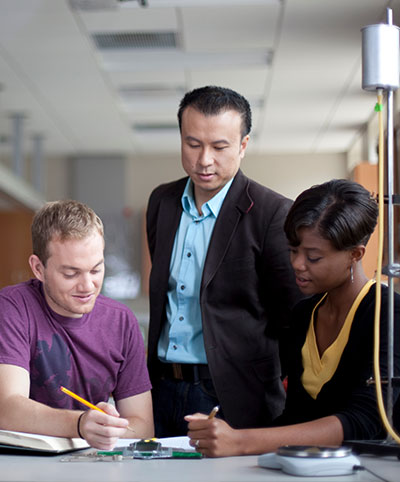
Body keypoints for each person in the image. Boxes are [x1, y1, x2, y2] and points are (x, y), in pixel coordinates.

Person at [185, 179, 400, 457]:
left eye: (313, 257)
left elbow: (366, 420)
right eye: (293, 250)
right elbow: (296, 417)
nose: (297, 264)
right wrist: (230, 437)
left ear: (354, 255)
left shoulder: (389, 314)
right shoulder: (303, 315)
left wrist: (241, 441)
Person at [146, 85, 302, 437]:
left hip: (233, 396)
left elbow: (294, 320)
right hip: (160, 390)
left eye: (219, 147)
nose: (204, 160)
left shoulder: (273, 213)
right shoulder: (162, 202)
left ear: (243, 146)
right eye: (193, 144)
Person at [0, 200, 154, 450]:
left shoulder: (122, 321)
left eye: (96, 270)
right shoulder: (13, 307)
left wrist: (106, 428)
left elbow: (143, 426)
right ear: (38, 268)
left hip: (90, 462)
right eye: (71, 274)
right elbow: (7, 409)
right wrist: (81, 424)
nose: (87, 286)